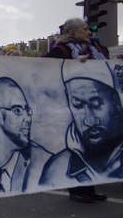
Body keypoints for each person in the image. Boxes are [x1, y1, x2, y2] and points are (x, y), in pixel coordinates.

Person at [43, 18, 111, 202]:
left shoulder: (95, 48)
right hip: (74, 107)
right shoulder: (62, 50)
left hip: (95, 105)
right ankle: (77, 189)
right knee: (78, 147)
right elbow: (45, 67)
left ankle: (90, 188)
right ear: (73, 32)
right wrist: (73, 64)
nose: (88, 32)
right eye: (84, 29)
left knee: (93, 148)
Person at [39, 58, 123, 199]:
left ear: (116, 102)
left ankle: (89, 191)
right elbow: (46, 61)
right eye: (77, 105)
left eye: (96, 104)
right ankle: (80, 191)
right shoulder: (57, 169)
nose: (88, 120)